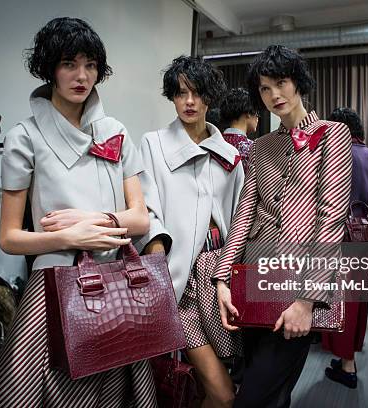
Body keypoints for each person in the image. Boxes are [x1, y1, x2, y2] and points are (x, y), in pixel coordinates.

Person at [0, 17, 156, 407]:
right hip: (54, 284)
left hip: (115, 279)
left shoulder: (116, 131)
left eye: (90, 65)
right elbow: (9, 238)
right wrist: (69, 237)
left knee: (112, 392)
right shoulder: (24, 137)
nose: (82, 76)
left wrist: (91, 221)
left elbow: (140, 218)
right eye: (69, 64)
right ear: (49, 69)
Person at [213, 45, 352, 408]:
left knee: (256, 395)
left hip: (299, 282)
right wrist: (222, 278)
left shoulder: (333, 135)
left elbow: (331, 218)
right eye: (264, 88)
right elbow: (244, 213)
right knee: (269, 391)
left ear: (299, 83)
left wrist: (307, 300)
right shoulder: (259, 147)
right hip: (254, 278)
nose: (274, 95)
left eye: (281, 83)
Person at [138, 55, 244, 407]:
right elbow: (148, 208)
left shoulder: (229, 154)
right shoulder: (153, 144)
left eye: (197, 93)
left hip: (219, 278)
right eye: (181, 93)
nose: (189, 102)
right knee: (223, 392)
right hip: (177, 279)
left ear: (209, 98)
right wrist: (157, 275)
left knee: (214, 385)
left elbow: (240, 217)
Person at [321, 107, 368, 389]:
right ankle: (350, 354)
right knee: (359, 297)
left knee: (340, 298)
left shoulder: (331, 155)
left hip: (338, 237)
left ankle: (347, 366)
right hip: (366, 237)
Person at [219, 87, 259, 174]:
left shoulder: (215, 143)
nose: (257, 118)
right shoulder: (253, 149)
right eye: (257, 113)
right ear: (248, 113)